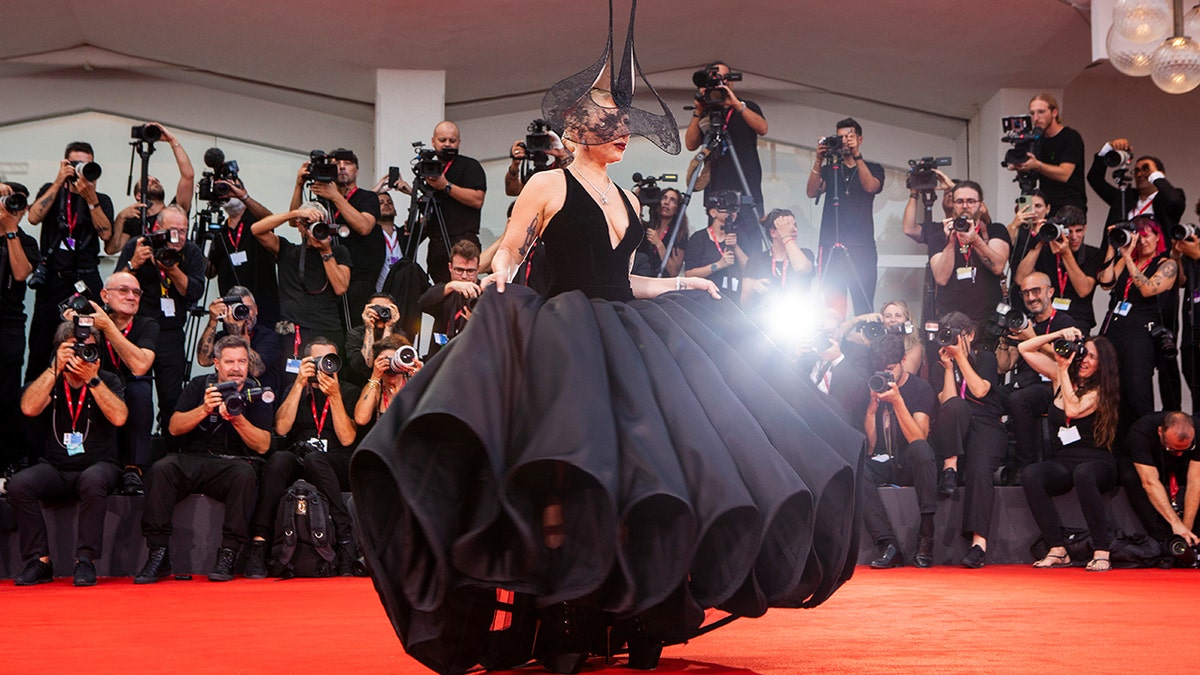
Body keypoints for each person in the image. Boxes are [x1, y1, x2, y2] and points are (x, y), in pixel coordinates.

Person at [350, 18, 863, 672]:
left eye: (621, 122)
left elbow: (621, 281)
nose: (620, 129)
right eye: (605, 121)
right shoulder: (548, 183)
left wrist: (680, 280)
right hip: (566, 340)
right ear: (573, 132)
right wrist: (500, 269)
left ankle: (639, 609)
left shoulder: (623, 195)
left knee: (652, 470)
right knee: (570, 475)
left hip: (628, 341)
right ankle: (565, 615)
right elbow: (512, 244)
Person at [135, 336, 273, 584]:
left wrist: (237, 419)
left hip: (233, 463)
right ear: (217, 364)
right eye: (230, 361)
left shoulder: (257, 392)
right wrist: (204, 408)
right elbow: (174, 428)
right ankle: (158, 553)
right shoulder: (200, 386)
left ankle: (228, 553)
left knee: (245, 475)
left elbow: (263, 445)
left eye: (242, 361)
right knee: (161, 469)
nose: (237, 367)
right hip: (194, 458)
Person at [10, 321, 126, 586]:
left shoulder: (107, 380)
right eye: (76, 349)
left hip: (99, 464)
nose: (84, 354)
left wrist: (92, 380)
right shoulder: (51, 379)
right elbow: (28, 408)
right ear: (61, 350)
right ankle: (39, 561)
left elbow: (119, 418)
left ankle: (85, 561)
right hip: (56, 467)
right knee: (19, 484)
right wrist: (55, 368)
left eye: (90, 349)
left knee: (93, 479)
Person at [244, 338, 359, 578]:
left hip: (335, 461)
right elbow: (282, 428)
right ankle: (259, 542)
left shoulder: (348, 391)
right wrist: (298, 384)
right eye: (318, 361)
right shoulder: (295, 388)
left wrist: (335, 397)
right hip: (300, 456)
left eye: (330, 360)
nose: (325, 366)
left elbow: (348, 439)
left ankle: (346, 540)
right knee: (278, 461)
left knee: (316, 460)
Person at [1018, 330, 1121, 571]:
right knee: (1031, 473)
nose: (1085, 360)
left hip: (1097, 462)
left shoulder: (1100, 390)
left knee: (1083, 473)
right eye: (1084, 353)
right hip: (1065, 460)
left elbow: (1072, 410)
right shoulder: (1060, 375)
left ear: (1103, 363)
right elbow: (1025, 349)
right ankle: (1057, 549)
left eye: (1092, 357)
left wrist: (1063, 370)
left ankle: (1101, 550)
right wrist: (1057, 335)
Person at [24, 141, 116, 380]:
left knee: (91, 337)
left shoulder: (101, 199)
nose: (79, 169)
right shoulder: (51, 189)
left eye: (85, 164)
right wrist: (58, 181)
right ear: (65, 164)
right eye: (74, 164)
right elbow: (33, 218)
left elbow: (106, 234)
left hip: (86, 278)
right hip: (53, 278)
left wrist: (90, 197)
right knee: (42, 343)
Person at [114, 205, 205, 433]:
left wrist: (172, 269)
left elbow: (194, 292)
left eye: (183, 231)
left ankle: (171, 452)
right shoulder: (139, 245)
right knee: (135, 393)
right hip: (139, 331)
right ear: (158, 229)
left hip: (171, 332)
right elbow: (116, 286)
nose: (178, 237)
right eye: (172, 231)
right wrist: (133, 264)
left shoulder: (191, 252)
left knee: (172, 397)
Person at [69, 271, 159, 496]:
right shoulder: (88, 321)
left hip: (130, 386)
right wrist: (73, 326)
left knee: (141, 388)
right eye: (124, 290)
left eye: (136, 292)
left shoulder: (147, 324)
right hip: (96, 383)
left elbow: (140, 365)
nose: (132, 296)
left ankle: (133, 468)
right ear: (104, 296)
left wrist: (107, 327)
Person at [929, 312, 1007, 568]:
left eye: (956, 334)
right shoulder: (938, 365)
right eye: (946, 334)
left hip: (985, 424)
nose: (949, 340)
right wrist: (949, 369)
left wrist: (961, 358)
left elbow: (980, 390)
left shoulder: (984, 358)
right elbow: (947, 402)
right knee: (955, 407)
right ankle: (949, 468)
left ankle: (978, 544)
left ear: (970, 335)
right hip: (955, 425)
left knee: (979, 469)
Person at [858, 335, 939, 569]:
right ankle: (887, 545)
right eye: (880, 370)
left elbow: (919, 437)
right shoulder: (873, 385)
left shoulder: (920, 388)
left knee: (922, 450)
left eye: (890, 369)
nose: (886, 376)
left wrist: (897, 401)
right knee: (857, 464)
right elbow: (872, 447)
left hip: (910, 462)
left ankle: (926, 537)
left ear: (903, 360)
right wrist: (872, 410)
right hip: (884, 461)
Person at [1096, 216, 1176, 431]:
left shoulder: (1167, 264)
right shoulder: (1125, 258)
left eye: (1146, 235)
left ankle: (1144, 442)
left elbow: (1148, 288)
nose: (1141, 241)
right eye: (1137, 236)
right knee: (1113, 391)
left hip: (1141, 334)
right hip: (1115, 331)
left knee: (1136, 389)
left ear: (1157, 236)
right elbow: (1105, 282)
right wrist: (1113, 247)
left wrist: (1130, 259)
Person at [250, 202, 352, 369]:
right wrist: (295, 214)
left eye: (319, 224)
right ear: (299, 225)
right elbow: (256, 229)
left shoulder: (338, 252)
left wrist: (326, 251)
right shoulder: (287, 250)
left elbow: (340, 287)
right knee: (293, 382)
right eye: (308, 224)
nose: (314, 229)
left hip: (327, 329)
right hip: (294, 333)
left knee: (331, 379)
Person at [998, 272, 1077, 477]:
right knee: (988, 395)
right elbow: (1003, 367)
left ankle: (1025, 465)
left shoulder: (1064, 322)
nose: (1031, 297)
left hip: (1052, 384)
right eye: (1026, 293)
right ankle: (994, 460)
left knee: (1019, 400)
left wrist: (1032, 337)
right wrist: (1004, 342)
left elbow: (1066, 360)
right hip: (1024, 383)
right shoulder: (1023, 322)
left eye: (1036, 291)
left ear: (1050, 292)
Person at [290, 148, 381, 325]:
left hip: (357, 279)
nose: (342, 168)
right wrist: (299, 185)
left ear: (357, 169)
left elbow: (364, 227)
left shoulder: (367, 197)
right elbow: (294, 222)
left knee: (356, 329)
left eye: (347, 164)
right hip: (326, 277)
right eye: (336, 165)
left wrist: (336, 197)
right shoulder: (321, 199)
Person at [805, 117, 885, 318]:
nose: (844, 141)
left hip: (861, 246)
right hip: (831, 244)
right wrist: (818, 160)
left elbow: (871, 187)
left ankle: (864, 347)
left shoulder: (874, 168)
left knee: (864, 305)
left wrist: (857, 156)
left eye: (848, 137)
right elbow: (812, 192)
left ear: (860, 139)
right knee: (833, 309)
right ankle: (834, 347)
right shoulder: (830, 168)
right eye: (840, 138)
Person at [392, 122, 487, 284]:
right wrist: (411, 192)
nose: (448, 144)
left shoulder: (470, 165)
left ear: (459, 142)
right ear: (433, 141)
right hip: (437, 247)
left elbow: (477, 200)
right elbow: (438, 203)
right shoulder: (431, 169)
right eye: (443, 140)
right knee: (441, 295)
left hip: (463, 242)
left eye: (452, 140)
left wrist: (446, 185)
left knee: (465, 290)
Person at [685, 60, 767, 227]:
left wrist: (736, 104)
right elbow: (690, 144)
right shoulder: (706, 112)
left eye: (725, 78)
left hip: (747, 192)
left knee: (751, 247)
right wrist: (699, 111)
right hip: (716, 193)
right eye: (716, 79)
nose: (721, 83)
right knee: (719, 248)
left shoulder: (746, 107)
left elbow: (763, 128)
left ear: (731, 81)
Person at [925, 181, 1011, 329]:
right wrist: (951, 241)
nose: (965, 206)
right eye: (959, 201)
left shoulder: (995, 230)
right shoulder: (939, 236)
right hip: (951, 321)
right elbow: (941, 278)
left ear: (980, 205)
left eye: (970, 201)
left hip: (988, 321)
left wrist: (975, 240)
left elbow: (998, 267)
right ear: (953, 204)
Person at [1116, 411, 1200, 552]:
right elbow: (1149, 482)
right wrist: (1175, 523)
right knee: (1130, 476)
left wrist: (1185, 530)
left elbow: (1195, 482)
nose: (1178, 454)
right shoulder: (1142, 430)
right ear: (1160, 431)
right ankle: (1160, 537)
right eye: (1173, 449)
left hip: (1183, 467)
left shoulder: (1198, 429)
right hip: (1150, 464)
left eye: (1184, 449)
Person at [105, 123, 195, 253]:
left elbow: (188, 176)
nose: (154, 181)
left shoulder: (174, 211)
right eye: (148, 181)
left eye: (156, 180)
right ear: (138, 196)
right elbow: (111, 250)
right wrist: (121, 217)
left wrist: (172, 141)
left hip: (171, 269)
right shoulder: (133, 221)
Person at [203, 179, 280, 330]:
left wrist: (244, 197)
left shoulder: (256, 221)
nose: (229, 192)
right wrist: (199, 244)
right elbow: (209, 272)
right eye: (224, 189)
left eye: (234, 187)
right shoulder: (219, 231)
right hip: (233, 313)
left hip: (264, 310)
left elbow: (271, 220)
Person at [0, 182, 40, 474]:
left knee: (7, 393)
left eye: (13, 201)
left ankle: (7, 460)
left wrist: (10, 229)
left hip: (9, 324)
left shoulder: (25, 241)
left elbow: (21, 272)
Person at [1013, 205, 1102, 334]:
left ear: (1085, 229)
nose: (1074, 237)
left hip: (1078, 318)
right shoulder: (1045, 251)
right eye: (1069, 232)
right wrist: (1040, 240)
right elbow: (1020, 279)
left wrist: (1066, 254)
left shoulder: (1092, 254)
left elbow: (1084, 290)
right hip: (1045, 316)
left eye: (1079, 231)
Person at [1005, 93, 1086, 216]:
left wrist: (1037, 165)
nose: (1036, 118)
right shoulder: (1036, 139)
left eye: (1041, 112)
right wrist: (1019, 165)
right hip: (1044, 204)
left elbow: (1065, 174)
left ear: (1054, 112)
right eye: (1032, 113)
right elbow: (1029, 168)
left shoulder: (1070, 137)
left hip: (1069, 205)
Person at [194, 287, 281, 393]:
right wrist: (213, 320)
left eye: (248, 308)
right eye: (238, 309)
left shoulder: (268, 336)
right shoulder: (223, 336)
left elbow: (257, 370)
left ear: (256, 309)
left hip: (259, 396)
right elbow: (204, 361)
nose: (245, 314)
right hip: (226, 395)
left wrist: (236, 333)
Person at [739, 208, 814, 316]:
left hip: (798, 317)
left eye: (795, 225)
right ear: (773, 232)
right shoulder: (756, 260)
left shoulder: (805, 254)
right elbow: (744, 304)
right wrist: (753, 286)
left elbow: (802, 268)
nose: (794, 229)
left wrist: (786, 236)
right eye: (787, 226)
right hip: (764, 319)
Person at [418, 239, 481, 358]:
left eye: (470, 271)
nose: (464, 276)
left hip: (472, 361)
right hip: (441, 360)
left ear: (478, 269)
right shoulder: (445, 291)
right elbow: (422, 303)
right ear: (450, 267)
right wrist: (451, 285)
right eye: (459, 270)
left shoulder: (486, 295)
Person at [684, 192, 749, 302]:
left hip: (735, 299)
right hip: (705, 299)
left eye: (734, 209)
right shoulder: (699, 238)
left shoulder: (741, 236)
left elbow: (749, 269)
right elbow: (689, 274)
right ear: (713, 212)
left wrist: (736, 247)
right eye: (726, 208)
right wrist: (718, 265)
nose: (731, 212)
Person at [838, 300, 923, 376]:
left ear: (907, 320)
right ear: (882, 320)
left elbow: (905, 374)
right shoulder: (873, 338)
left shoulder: (914, 346)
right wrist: (859, 319)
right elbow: (840, 335)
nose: (893, 320)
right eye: (888, 316)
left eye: (898, 316)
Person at [344, 293, 403, 385]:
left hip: (387, 385)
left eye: (385, 309)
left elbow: (386, 365)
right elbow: (364, 368)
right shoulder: (355, 334)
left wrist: (389, 328)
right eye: (377, 308)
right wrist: (369, 328)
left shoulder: (399, 334)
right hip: (360, 385)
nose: (380, 313)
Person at [632, 187, 687, 278]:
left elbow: (674, 272)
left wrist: (659, 244)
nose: (666, 202)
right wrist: (637, 201)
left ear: (677, 208)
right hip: (639, 278)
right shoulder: (645, 228)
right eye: (664, 198)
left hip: (661, 282)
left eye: (672, 200)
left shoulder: (679, 234)